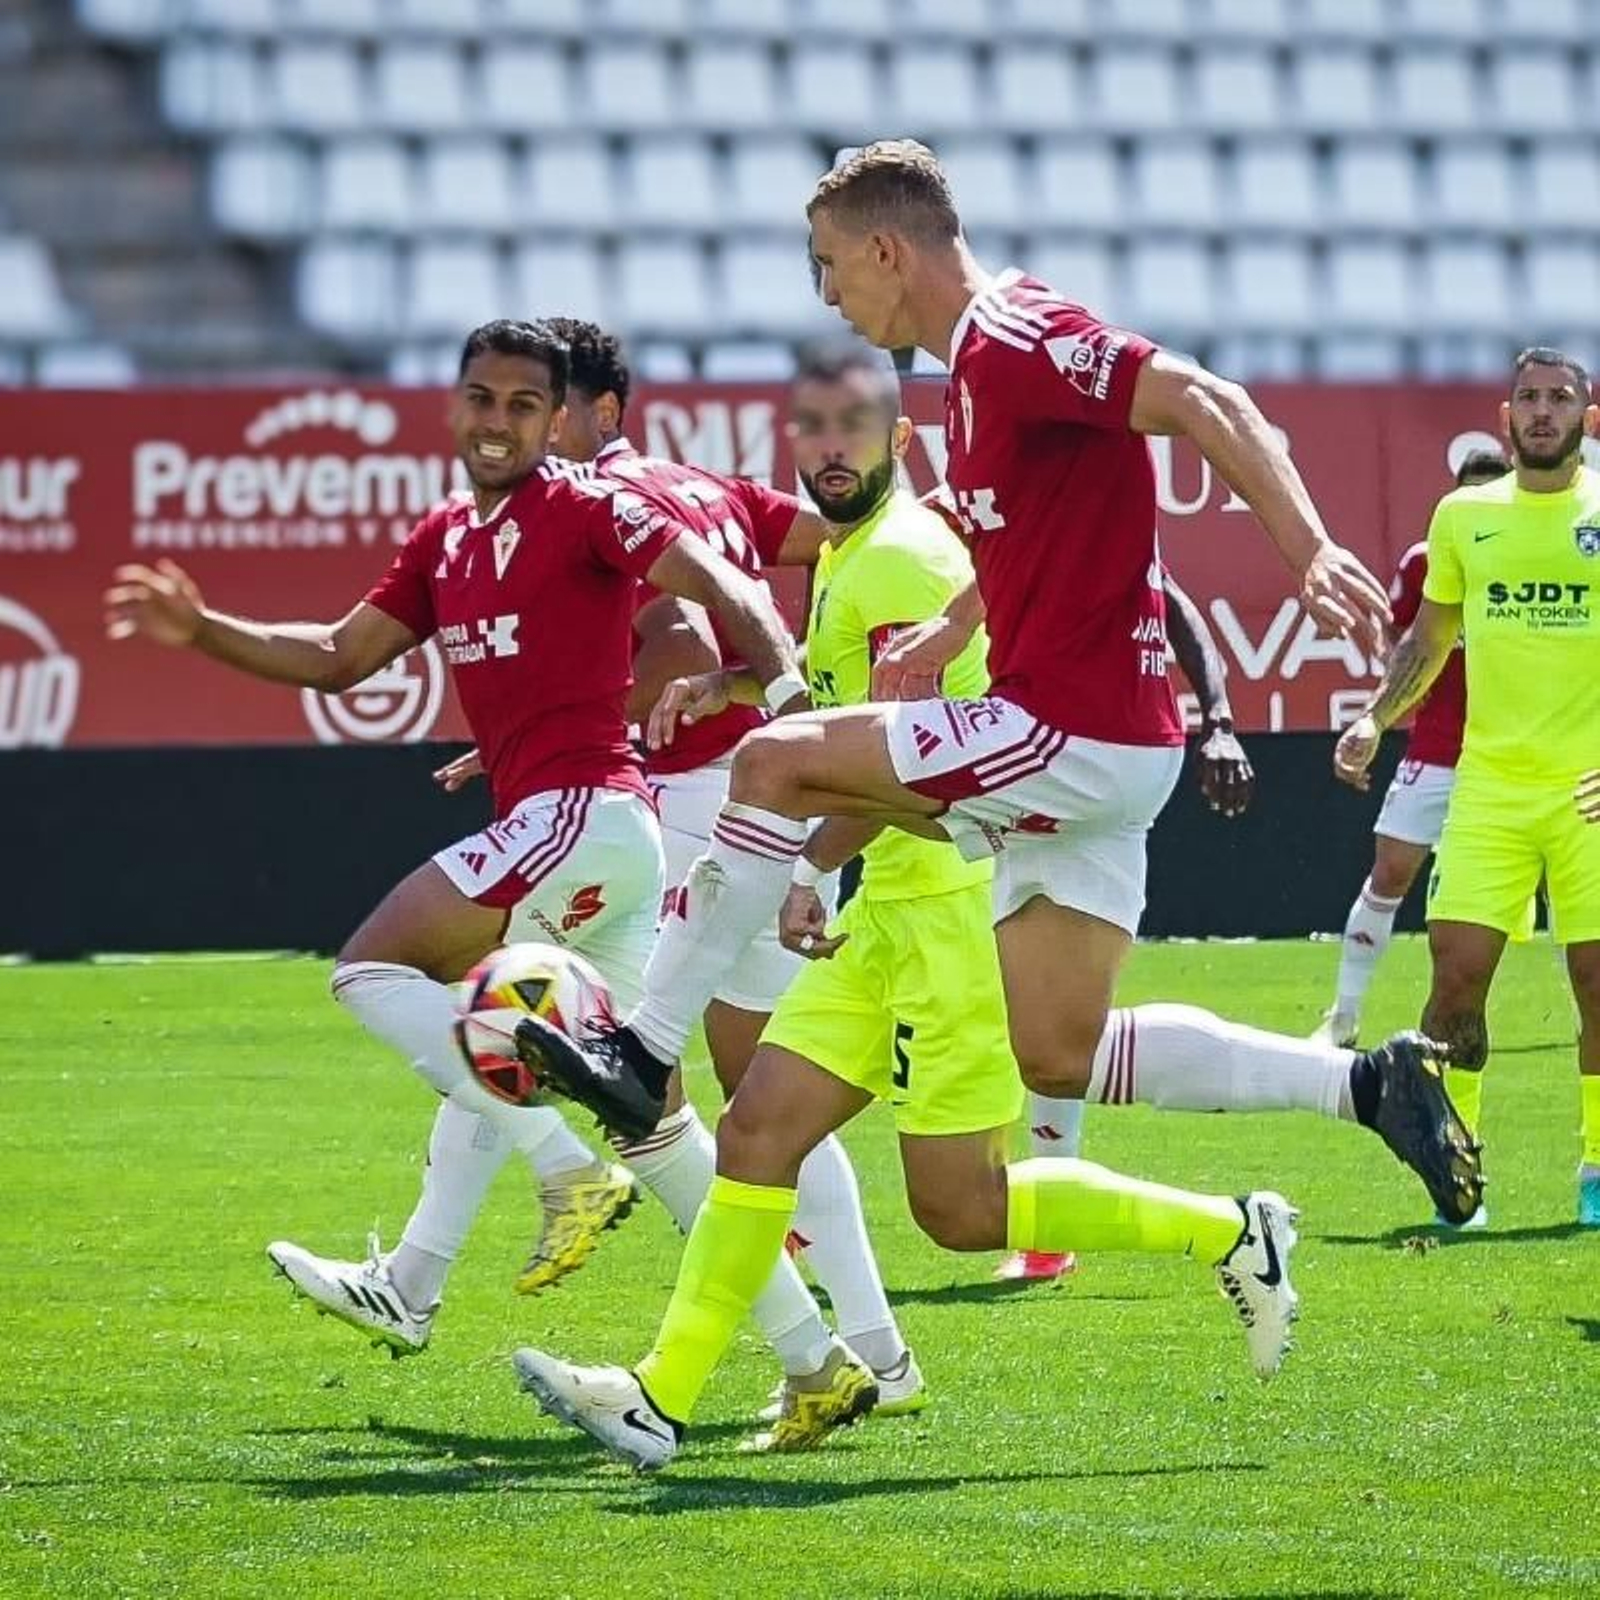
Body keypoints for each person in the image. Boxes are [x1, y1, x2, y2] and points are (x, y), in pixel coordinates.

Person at [501, 143, 1482, 1469]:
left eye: (831, 267)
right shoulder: (972, 374)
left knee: (773, 761)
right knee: (1052, 1056)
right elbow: (1041, 529)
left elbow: (1205, 396)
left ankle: (641, 1043)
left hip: (1065, 728)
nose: (829, 296)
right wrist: (960, 618)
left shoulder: (1014, 334)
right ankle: (1363, 1087)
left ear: (889, 252)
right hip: (1099, 750)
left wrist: (1304, 548)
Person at [102, 322, 867, 1419]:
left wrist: (786, 695)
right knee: (653, 1121)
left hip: (584, 814)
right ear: (454, 407)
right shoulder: (447, 535)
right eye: (480, 398)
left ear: (558, 419)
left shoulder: (591, 507)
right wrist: (199, 628)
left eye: (521, 403)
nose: (497, 420)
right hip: (592, 836)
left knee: (369, 970)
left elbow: (718, 588)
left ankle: (559, 1167)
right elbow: (336, 656)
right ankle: (813, 1358)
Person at [436, 319, 925, 1431]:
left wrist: (686, 698)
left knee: (586, 1047)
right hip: (763, 809)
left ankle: (733, 1349)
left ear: (597, 411)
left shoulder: (600, 505)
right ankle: (866, 1351)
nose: (524, 425)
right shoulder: (718, 489)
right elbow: (825, 540)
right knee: (763, 1097)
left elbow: (686, 636)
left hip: (702, 817)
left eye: (546, 403)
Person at [1335, 348, 1600, 1229]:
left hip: (1589, 795)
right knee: (1455, 985)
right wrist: (1376, 716)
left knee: (1598, 985)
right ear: (1505, 415)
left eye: (1560, 398)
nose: (1543, 411)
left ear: (1587, 420)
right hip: (1486, 790)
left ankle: (1597, 1169)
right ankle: (1458, 1170)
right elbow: (1429, 637)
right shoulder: (1464, 516)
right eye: (1529, 397)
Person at [999, 568, 1256, 1282]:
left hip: (1069, 763)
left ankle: (1351, 1084)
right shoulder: (977, 511)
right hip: (1018, 761)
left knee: (1047, 1034)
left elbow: (1174, 605)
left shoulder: (1088, 509)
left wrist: (1221, 719)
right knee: (1031, 1026)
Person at [1314, 448, 1511, 1057]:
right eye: (1468, 494)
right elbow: (1407, 641)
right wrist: (1375, 719)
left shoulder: (1537, 557)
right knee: (1390, 873)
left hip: (1521, 761)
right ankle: (1342, 1018)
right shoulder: (1431, 561)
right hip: (1439, 752)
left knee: (1570, 897)